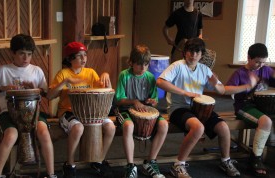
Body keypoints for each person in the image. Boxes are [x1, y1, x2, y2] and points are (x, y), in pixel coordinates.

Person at [156, 38, 240, 178]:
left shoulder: (204, 69)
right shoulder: (177, 66)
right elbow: (160, 82)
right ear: (185, 53)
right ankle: (178, 164)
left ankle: (225, 161)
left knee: (224, 128)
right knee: (198, 128)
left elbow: (221, 91)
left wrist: (215, 83)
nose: (193, 55)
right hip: (178, 108)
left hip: (200, 108)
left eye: (197, 52)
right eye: (190, 51)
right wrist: (184, 92)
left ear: (201, 55)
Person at [0, 34, 56, 178]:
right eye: (21, 54)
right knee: (11, 136)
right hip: (9, 113)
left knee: (44, 133)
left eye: (29, 54)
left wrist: (35, 89)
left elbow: (47, 94)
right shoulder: (3, 70)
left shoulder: (36, 70)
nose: (25, 58)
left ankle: (51, 174)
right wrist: (2, 88)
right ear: (13, 53)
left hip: (33, 113)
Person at [47, 42, 115, 178]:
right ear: (70, 59)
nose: (83, 59)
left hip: (91, 112)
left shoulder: (90, 73)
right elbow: (49, 96)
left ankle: (99, 160)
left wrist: (106, 75)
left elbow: (106, 92)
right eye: (79, 56)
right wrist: (64, 83)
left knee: (110, 127)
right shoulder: (63, 73)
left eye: (85, 55)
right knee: (78, 128)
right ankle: (70, 164)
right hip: (68, 112)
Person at [115, 44, 168, 178]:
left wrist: (152, 101)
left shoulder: (150, 77)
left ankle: (151, 161)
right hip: (125, 110)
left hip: (145, 110)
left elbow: (155, 99)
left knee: (164, 124)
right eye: (139, 64)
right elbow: (119, 100)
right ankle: (130, 165)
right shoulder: (124, 75)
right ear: (131, 63)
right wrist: (134, 101)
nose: (143, 68)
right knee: (128, 126)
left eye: (146, 64)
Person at [224, 43, 273, 177]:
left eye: (263, 62)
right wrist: (247, 85)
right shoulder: (239, 73)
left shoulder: (266, 70)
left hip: (261, 107)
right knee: (266, 122)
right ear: (249, 58)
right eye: (257, 62)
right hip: (243, 107)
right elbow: (226, 90)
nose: (260, 65)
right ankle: (254, 159)